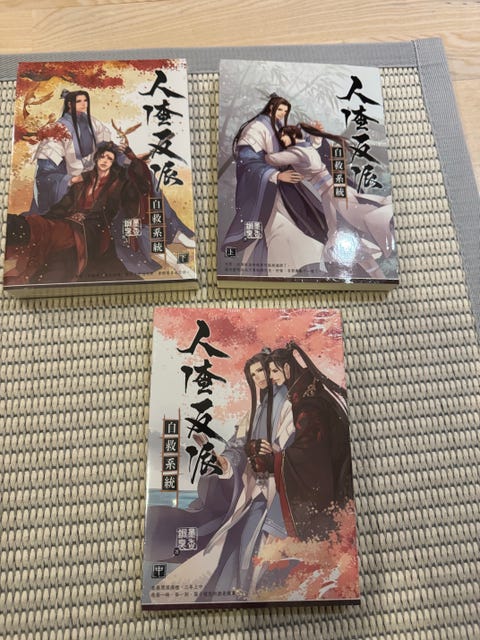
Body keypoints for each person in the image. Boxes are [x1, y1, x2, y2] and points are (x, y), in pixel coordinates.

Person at [145, 349, 295, 603]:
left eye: (262, 370)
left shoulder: (290, 406)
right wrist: (222, 461)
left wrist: (273, 453)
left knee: (256, 548)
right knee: (237, 545)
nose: (260, 377)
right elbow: (236, 448)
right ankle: (241, 594)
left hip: (280, 492)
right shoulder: (254, 412)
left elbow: (294, 449)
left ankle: (253, 595)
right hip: (253, 491)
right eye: (253, 374)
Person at [222, 95, 337, 277]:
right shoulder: (256, 128)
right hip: (263, 190)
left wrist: (315, 138)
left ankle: (296, 273)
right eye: (280, 109)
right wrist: (276, 175)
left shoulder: (277, 127)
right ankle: (270, 275)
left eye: (285, 111)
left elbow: (297, 149)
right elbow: (248, 161)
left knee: (299, 232)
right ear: (271, 107)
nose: (283, 113)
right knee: (275, 233)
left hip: (284, 191)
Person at [5, 142, 150, 284]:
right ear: (96, 158)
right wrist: (46, 218)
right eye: (102, 156)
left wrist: (134, 160)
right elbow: (63, 205)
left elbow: (142, 186)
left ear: (113, 163)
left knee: (52, 231)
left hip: (94, 229)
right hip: (68, 224)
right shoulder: (83, 181)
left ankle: (18, 227)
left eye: (110, 159)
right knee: (43, 226)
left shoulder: (118, 184)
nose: (105, 161)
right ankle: (14, 227)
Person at [266, 123, 395, 278]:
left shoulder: (297, 152)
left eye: (283, 137)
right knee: (337, 233)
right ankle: (376, 274)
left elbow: (271, 159)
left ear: (292, 135)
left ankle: (385, 223)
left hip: (332, 193)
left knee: (357, 219)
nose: (282, 140)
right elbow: (313, 142)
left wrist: (266, 148)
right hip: (332, 193)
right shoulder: (307, 146)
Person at [263, 343, 353, 541]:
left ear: (287, 368)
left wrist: (273, 461)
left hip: (335, 476)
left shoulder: (308, 403)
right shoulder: (306, 391)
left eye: (274, 371)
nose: (271, 377)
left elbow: (309, 451)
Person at [31, 89, 111, 214]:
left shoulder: (93, 123)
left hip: (94, 177)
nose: (83, 104)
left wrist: (128, 157)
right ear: (69, 104)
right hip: (71, 183)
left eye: (85, 100)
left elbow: (108, 148)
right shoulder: (57, 129)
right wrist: (70, 180)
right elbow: (46, 172)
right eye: (79, 101)